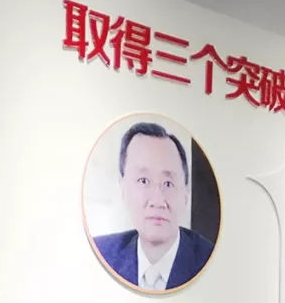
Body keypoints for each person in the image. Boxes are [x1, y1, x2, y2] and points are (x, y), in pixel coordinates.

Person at [92, 121, 214, 291]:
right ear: (123, 189)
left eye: (168, 183)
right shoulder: (99, 254)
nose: (157, 201)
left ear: (185, 195)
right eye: (143, 181)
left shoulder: (212, 262)